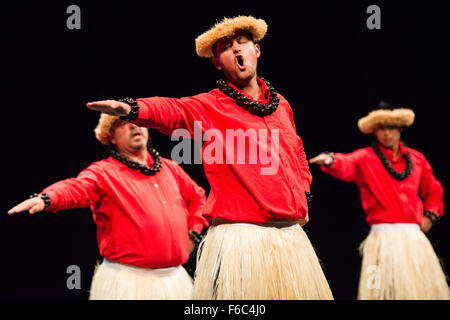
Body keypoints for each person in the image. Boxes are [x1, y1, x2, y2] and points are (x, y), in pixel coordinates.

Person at [85, 16, 333, 299]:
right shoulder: (209, 106)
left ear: (257, 50)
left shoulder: (281, 105)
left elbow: (297, 151)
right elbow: (172, 111)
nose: (237, 51)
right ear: (217, 62)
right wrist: (131, 109)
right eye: (227, 47)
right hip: (244, 243)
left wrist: (304, 189)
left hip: (291, 239)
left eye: (242, 43)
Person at [8, 113, 208, 300]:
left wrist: (193, 234)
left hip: (173, 281)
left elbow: (198, 197)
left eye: (137, 121)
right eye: (123, 123)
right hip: (126, 283)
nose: (133, 126)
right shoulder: (103, 173)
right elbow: (75, 188)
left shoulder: (170, 168)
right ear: (110, 136)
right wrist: (47, 198)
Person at [310, 103, 449, 300]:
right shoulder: (365, 158)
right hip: (381, 240)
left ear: (400, 129)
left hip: (414, 239)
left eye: (391, 127)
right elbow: (347, 163)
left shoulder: (417, 160)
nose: (386, 133)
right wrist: (331, 160)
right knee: (377, 291)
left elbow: (434, 190)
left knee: (421, 293)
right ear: (374, 132)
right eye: (381, 128)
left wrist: (430, 216)